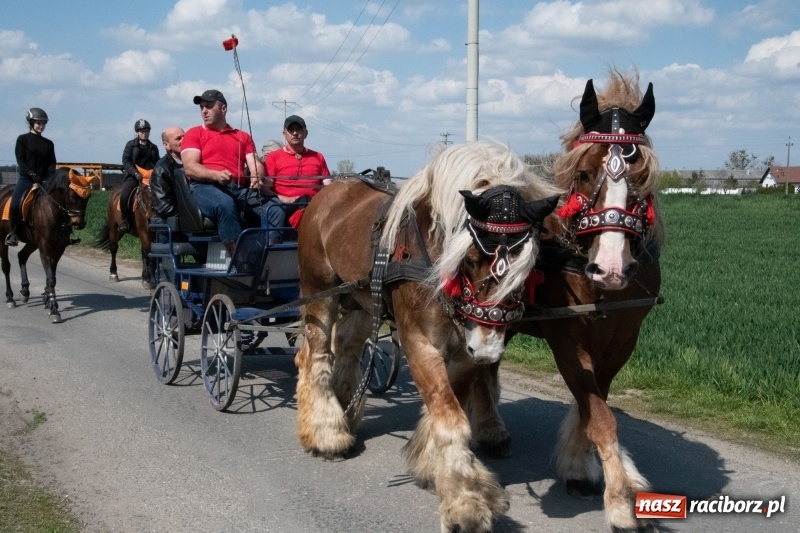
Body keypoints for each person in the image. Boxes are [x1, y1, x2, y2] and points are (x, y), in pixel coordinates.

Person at [181, 89, 265, 257]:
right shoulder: (194, 133)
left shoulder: (243, 136)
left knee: (271, 208)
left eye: (209, 106)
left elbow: (255, 163)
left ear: (223, 109)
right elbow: (190, 166)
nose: (204, 111)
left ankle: (270, 252)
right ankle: (239, 259)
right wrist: (216, 175)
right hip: (204, 187)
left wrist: (257, 176)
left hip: (238, 187)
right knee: (225, 204)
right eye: (202, 107)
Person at [262, 115, 330, 243]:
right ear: (284, 134)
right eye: (291, 129)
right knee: (275, 209)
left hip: (313, 205)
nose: (295, 133)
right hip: (284, 205)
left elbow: (328, 186)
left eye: (299, 129)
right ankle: (272, 249)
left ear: (306, 133)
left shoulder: (318, 157)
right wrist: (284, 199)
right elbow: (266, 189)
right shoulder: (273, 157)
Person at [6, 107, 58, 247]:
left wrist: (49, 176)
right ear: (31, 123)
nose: (41, 126)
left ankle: (66, 234)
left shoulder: (49, 143)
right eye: (38, 123)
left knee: (60, 201)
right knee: (15, 204)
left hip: (45, 180)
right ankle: (13, 233)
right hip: (27, 179)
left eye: (43, 124)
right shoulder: (22, 140)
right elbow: (21, 161)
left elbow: (52, 163)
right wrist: (32, 174)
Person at [119, 119, 160, 234]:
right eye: (142, 131)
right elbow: (126, 160)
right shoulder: (130, 145)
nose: (144, 133)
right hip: (134, 176)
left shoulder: (153, 147)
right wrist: (135, 173)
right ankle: (125, 221)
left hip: (150, 178)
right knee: (124, 195)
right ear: (137, 132)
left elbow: (157, 162)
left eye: (146, 131)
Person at [150, 125, 185, 224]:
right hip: (174, 229)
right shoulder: (161, 169)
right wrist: (189, 218)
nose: (183, 140)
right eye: (178, 138)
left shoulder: (194, 162)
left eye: (185, 137)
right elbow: (163, 206)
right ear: (166, 145)